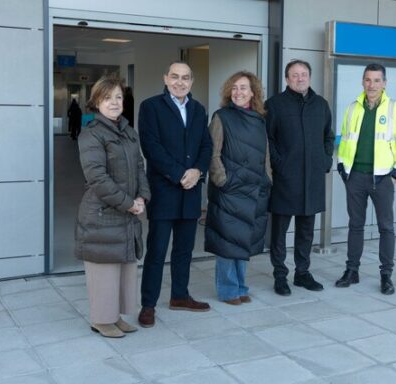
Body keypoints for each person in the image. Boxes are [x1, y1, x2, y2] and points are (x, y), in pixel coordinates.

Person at [137, 61, 212, 327]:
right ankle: (148, 304)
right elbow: (151, 147)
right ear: (166, 79)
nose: (180, 82)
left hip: (191, 192)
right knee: (157, 251)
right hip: (164, 191)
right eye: (175, 77)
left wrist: (198, 171)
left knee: (184, 250)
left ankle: (180, 296)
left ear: (191, 81)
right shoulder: (150, 107)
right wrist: (181, 174)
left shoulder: (198, 109)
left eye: (185, 78)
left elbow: (206, 145)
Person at [75, 76, 150, 338]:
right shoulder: (91, 133)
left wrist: (142, 197)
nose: (114, 102)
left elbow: (139, 167)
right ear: (97, 101)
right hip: (102, 214)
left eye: (118, 97)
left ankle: (114, 316)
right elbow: (97, 178)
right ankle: (101, 320)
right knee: (103, 271)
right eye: (107, 98)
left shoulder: (128, 132)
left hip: (126, 212)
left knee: (122, 269)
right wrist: (129, 203)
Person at [335, 63, 396, 295]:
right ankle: (352, 271)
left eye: (377, 80)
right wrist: (342, 166)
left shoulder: (395, 108)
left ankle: (386, 275)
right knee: (355, 225)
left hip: (383, 178)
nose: (372, 85)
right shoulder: (353, 108)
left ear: (384, 83)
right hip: (355, 176)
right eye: (368, 80)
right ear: (363, 82)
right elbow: (345, 138)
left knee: (386, 227)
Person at [265, 60, 334, 296]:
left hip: (312, 178)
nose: (300, 78)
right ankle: (280, 275)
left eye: (303, 74)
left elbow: (328, 136)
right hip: (285, 179)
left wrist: (325, 160)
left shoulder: (321, 104)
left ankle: (302, 273)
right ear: (287, 79)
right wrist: (279, 164)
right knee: (279, 232)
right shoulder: (274, 104)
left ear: (309, 77)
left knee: (306, 231)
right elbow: (268, 139)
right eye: (294, 75)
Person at [204, 71, 271, 305]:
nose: (238, 92)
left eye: (243, 88)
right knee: (227, 242)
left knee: (243, 241)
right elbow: (213, 153)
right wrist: (222, 181)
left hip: (254, 189)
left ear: (253, 93)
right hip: (229, 191)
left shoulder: (259, 119)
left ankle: (241, 287)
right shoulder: (221, 117)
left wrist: (267, 179)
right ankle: (228, 290)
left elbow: (265, 154)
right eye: (234, 88)